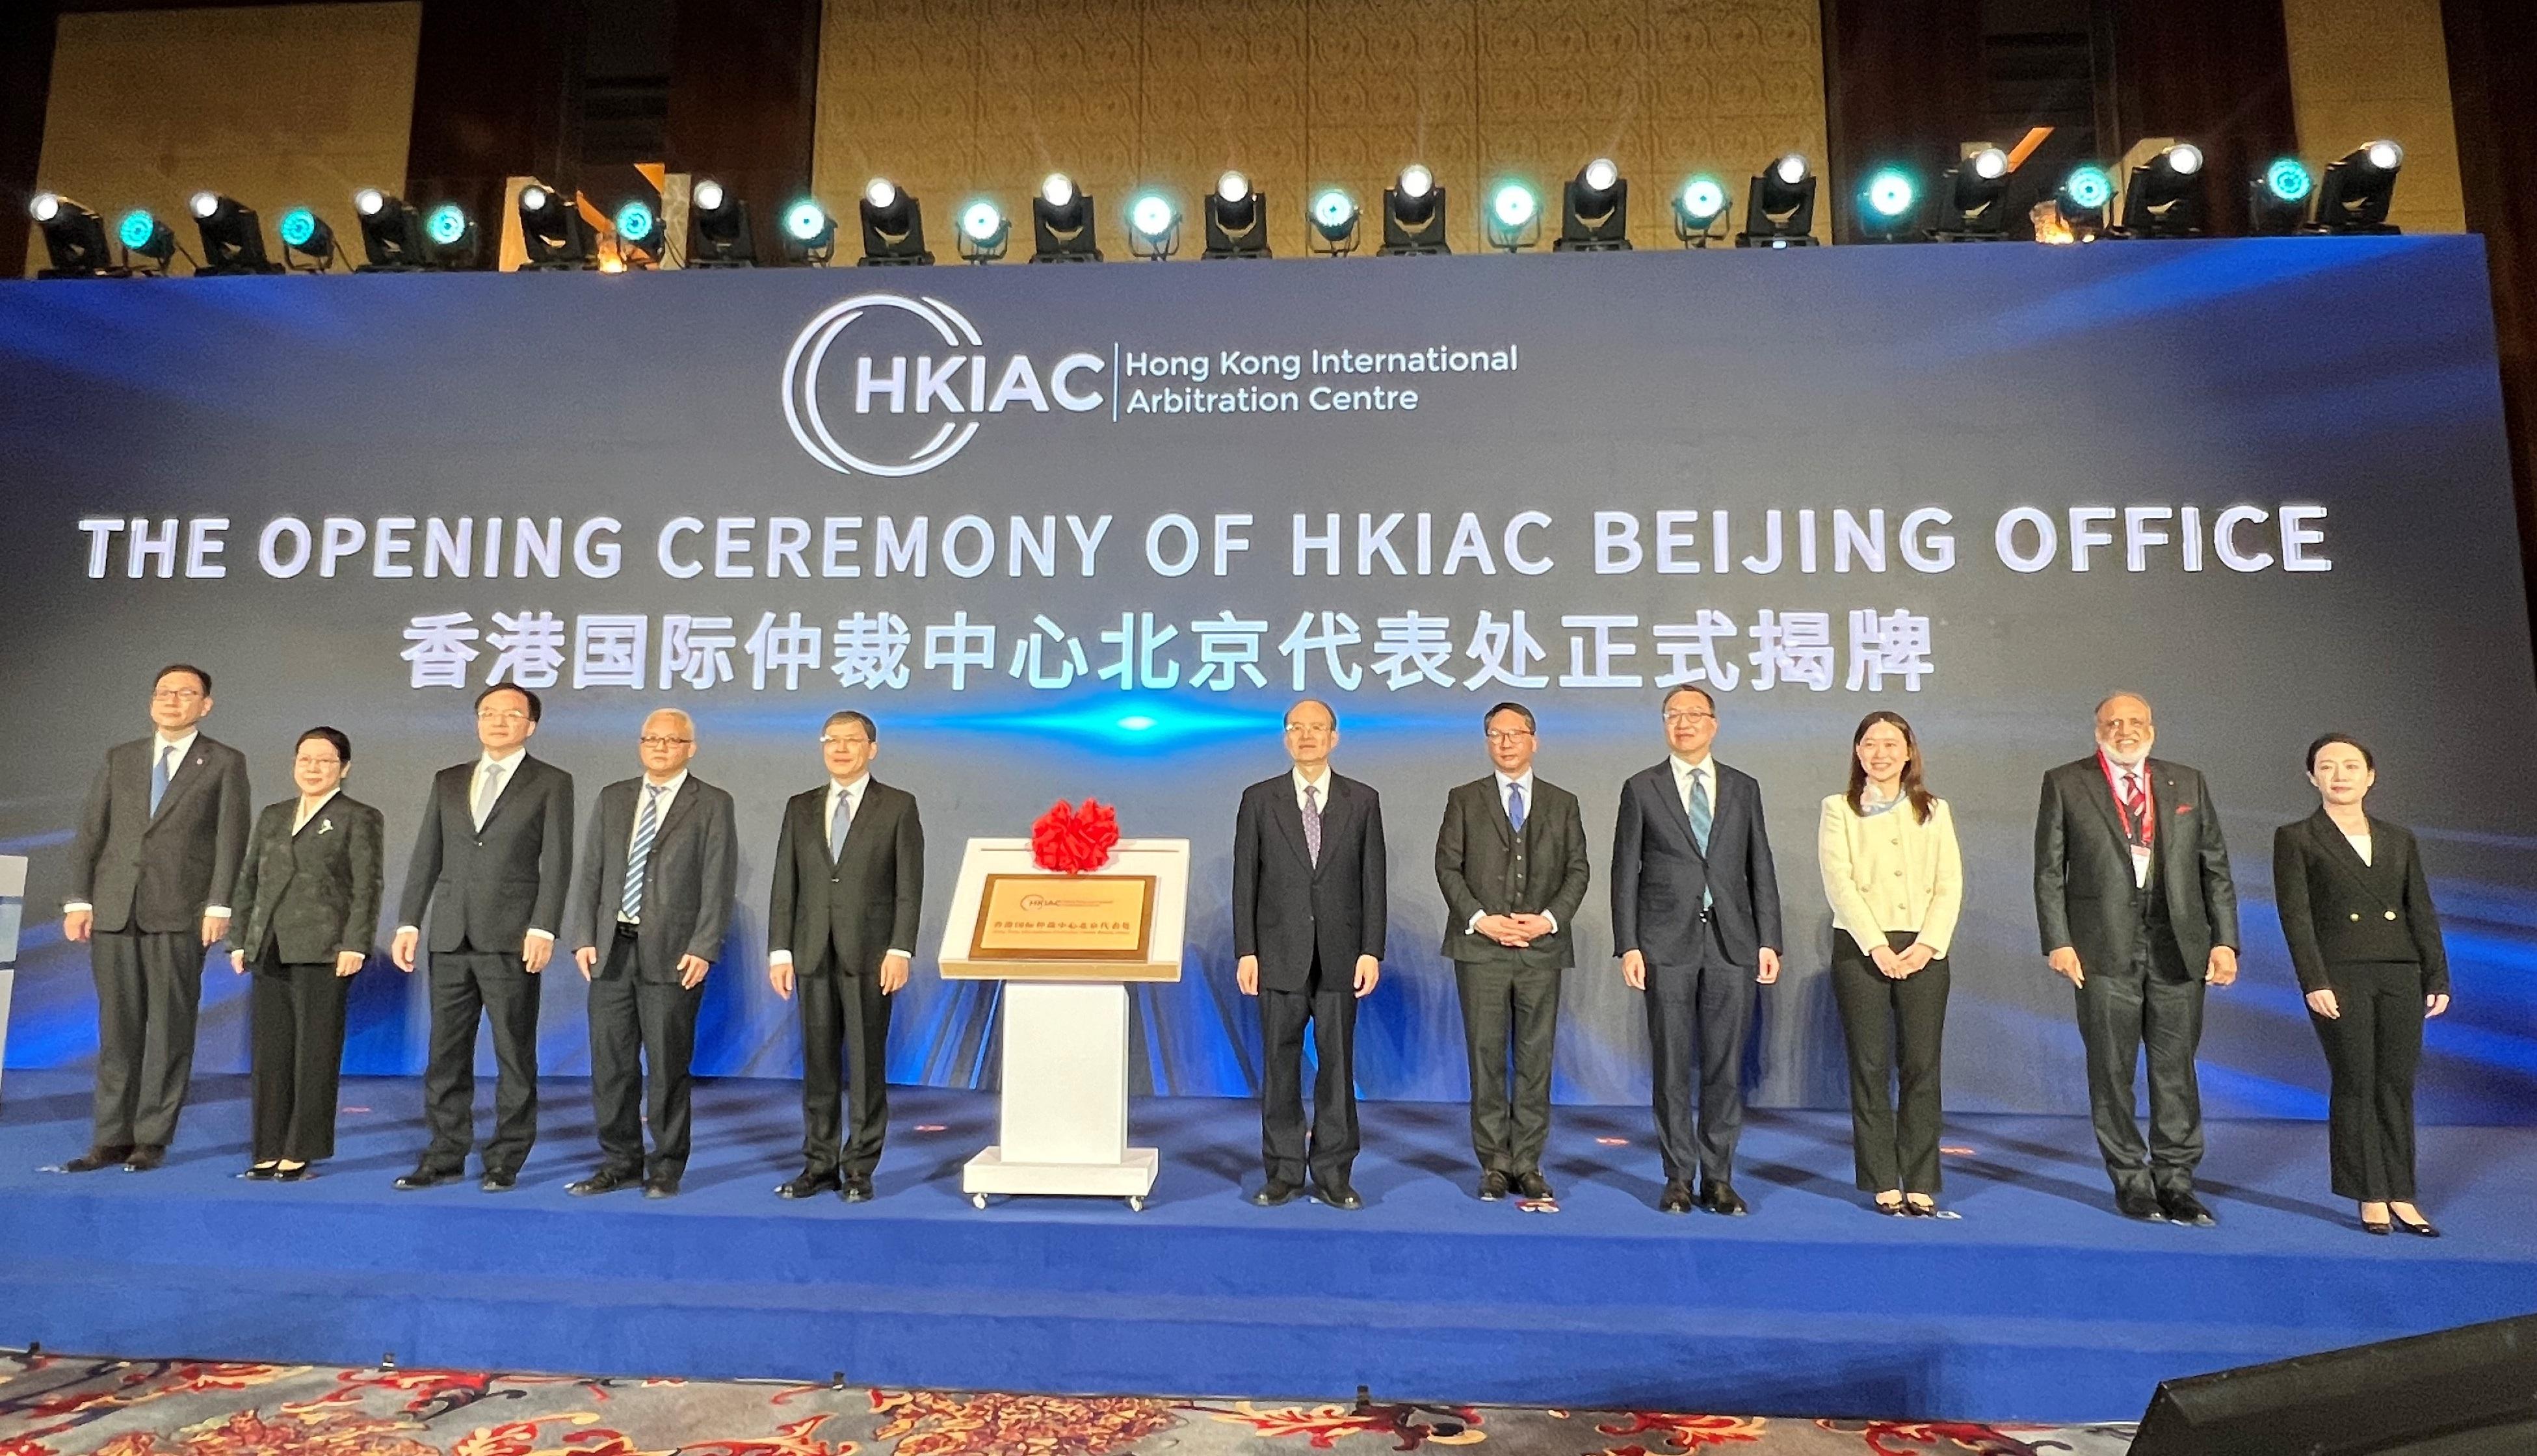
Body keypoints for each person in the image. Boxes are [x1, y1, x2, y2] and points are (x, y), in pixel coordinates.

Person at [2033, 692, 2239, 1225]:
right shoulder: (2066, 782)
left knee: (2176, 1072)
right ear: (2096, 728)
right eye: (2113, 722)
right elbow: (2050, 871)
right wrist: (2058, 941)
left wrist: (2225, 941)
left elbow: (2214, 865)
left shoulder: (2186, 781)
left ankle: (2176, 1181)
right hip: (2100, 948)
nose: (2125, 730)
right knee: (2111, 1070)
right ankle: (2131, 1180)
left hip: (2179, 945)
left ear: (2152, 726)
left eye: (2135, 722)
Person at [57, 664, 252, 1173]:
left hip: (180, 911)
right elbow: (91, 830)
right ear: (152, 701)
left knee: (169, 1027)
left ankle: (152, 1136)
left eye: (186, 693)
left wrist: (219, 904)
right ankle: (110, 1135)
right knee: (117, 1028)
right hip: (115, 908)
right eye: (165, 692)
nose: (173, 701)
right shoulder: (121, 758)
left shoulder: (224, 762)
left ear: (205, 705)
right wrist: (79, 898)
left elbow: (231, 840)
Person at [391, 684, 575, 1192]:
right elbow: (428, 852)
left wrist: (544, 926)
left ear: (530, 725)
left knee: (514, 1052)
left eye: (510, 714)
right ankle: (444, 1153)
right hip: (450, 934)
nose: (497, 721)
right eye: (488, 713)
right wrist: (410, 920)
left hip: (512, 937)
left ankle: (506, 1157)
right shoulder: (449, 780)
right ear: (477, 721)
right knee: (445, 1053)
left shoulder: (551, 782)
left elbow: (557, 862)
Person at [1610, 684, 1781, 1216]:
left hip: (1732, 942)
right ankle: (1678, 1176)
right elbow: (1625, 874)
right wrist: (1629, 944)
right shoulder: (1642, 788)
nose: (1683, 723)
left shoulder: (1743, 788)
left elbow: (1760, 867)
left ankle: (1720, 1176)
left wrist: (1769, 940)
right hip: (1666, 943)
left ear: (1714, 724)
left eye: (1693, 715)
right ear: (1664, 725)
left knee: (1725, 1067)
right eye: (1673, 716)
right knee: (1670, 1065)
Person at [2272, 733, 2451, 1236]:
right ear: (2312, 777)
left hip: (2401, 970)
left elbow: (2421, 909)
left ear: (2370, 776)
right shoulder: (2297, 837)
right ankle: (2369, 1193)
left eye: (2351, 765)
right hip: (2340, 973)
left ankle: (2402, 1191)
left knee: (2396, 1082)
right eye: (2327, 766)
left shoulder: (2399, 838)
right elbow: (2297, 917)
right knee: (2356, 1080)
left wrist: (2437, 975)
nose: (2340, 774)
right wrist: (2314, 980)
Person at [561, 708, 737, 1200]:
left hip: (674, 954)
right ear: (641, 744)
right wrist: (583, 936)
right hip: (613, 952)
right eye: (652, 739)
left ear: (690, 748)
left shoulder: (711, 803)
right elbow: (592, 870)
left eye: (672, 740)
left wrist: (704, 945)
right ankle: (618, 1161)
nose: (660, 747)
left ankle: (666, 1167)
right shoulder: (614, 797)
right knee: (611, 1066)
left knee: (666, 1067)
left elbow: (717, 881)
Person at [1232, 699, 1387, 1210]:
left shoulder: (1362, 800)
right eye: (1297, 728)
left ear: (1334, 738)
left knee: (1338, 1067)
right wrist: (1246, 950)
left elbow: (1373, 882)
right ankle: (1282, 1171)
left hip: (1342, 955)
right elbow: (1245, 881)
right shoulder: (1260, 799)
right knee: (1279, 1066)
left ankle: (1334, 1172)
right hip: (1277, 953)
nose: (1307, 736)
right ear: (1285, 738)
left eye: (1317, 728)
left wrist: (1371, 949)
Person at [1434, 701, 1590, 1202]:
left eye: (1515, 733)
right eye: (1496, 735)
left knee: (1535, 1059)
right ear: (1487, 742)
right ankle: (1494, 1163)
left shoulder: (1562, 802)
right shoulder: (1464, 798)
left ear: (1533, 740)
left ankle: (1528, 1161)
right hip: (1481, 949)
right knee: (1485, 1058)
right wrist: (1483, 920)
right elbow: (1448, 867)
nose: (1506, 742)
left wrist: (1545, 921)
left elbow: (1578, 870)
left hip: (1541, 950)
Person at [767, 710, 923, 1203]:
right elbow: (785, 884)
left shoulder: (897, 806)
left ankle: (859, 1168)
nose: (840, 748)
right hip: (812, 951)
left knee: (866, 1064)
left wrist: (900, 948)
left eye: (851, 740)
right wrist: (780, 950)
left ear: (871, 748)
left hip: (871, 954)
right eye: (831, 740)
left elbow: (908, 888)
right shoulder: (800, 807)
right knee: (817, 1066)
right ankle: (818, 1164)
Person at [1818, 712, 1964, 1217]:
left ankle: (1921, 1179)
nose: (1880, 753)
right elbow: (1839, 882)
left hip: (1925, 948)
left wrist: (1928, 944)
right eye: (1870, 744)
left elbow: (1950, 882)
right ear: (1857, 753)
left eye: (1891, 744)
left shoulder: (1934, 809)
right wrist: (1876, 946)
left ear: (1909, 752)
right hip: (1861, 948)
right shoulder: (1839, 808)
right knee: (1870, 1066)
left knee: (1922, 1065)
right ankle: (1882, 1179)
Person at [225, 727, 381, 1181]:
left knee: (315, 1053)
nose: (313, 768)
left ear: (344, 769)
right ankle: (268, 1147)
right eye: (305, 760)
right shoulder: (274, 815)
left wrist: (355, 943)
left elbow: (367, 886)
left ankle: (301, 1149)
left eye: (325, 761)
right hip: (269, 947)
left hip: (325, 948)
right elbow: (250, 879)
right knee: (271, 1054)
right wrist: (240, 939)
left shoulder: (358, 817)